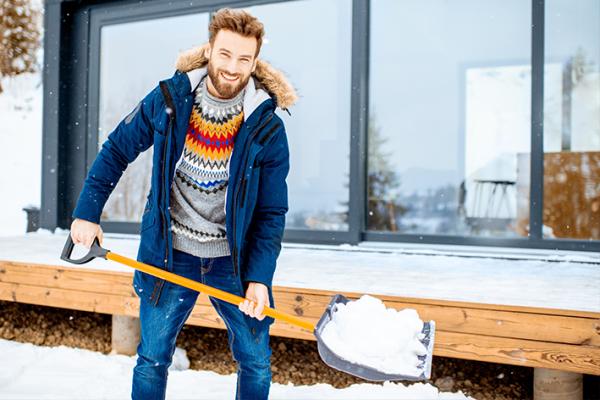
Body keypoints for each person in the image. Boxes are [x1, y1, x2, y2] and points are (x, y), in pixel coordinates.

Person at [69, 8, 297, 400]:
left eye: (244, 59)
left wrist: (259, 277)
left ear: (255, 62)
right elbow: (117, 149)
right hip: (169, 252)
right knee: (152, 359)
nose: (232, 67)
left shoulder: (266, 126)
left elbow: (271, 211)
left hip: (233, 259)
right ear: (209, 50)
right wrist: (87, 212)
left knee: (255, 361)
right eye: (225, 54)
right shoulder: (170, 100)